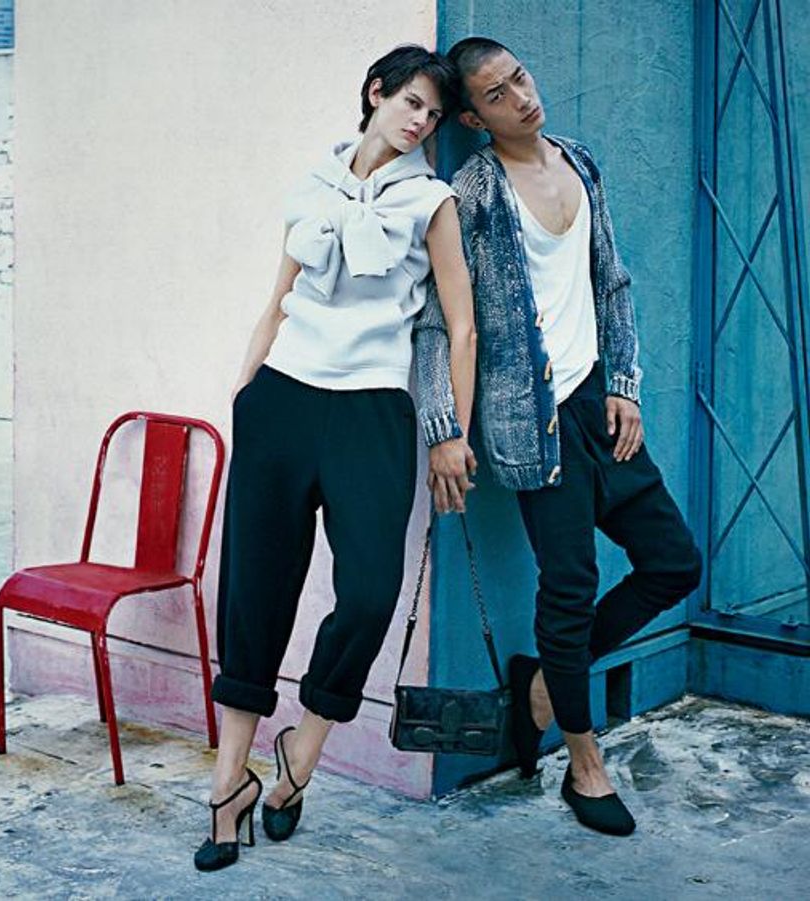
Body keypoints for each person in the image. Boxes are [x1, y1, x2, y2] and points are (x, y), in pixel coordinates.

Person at [194, 44, 478, 872]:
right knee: (253, 596)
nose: (421, 121)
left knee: (369, 594)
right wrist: (245, 392)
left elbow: (461, 325)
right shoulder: (312, 187)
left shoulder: (431, 200)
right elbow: (276, 298)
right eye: (411, 102)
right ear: (375, 93)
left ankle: (301, 754)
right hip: (281, 401)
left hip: (372, 412)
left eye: (433, 113)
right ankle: (227, 786)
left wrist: (453, 430)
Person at [423, 36, 704, 836]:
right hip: (530, 423)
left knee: (674, 561)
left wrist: (626, 385)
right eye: (498, 94)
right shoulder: (471, 195)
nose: (522, 96)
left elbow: (611, 282)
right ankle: (584, 765)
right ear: (474, 119)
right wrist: (444, 427)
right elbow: (441, 322)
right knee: (570, 586)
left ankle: (545, 682)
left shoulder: (580, 161)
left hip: (597, 409)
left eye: (520, 77)